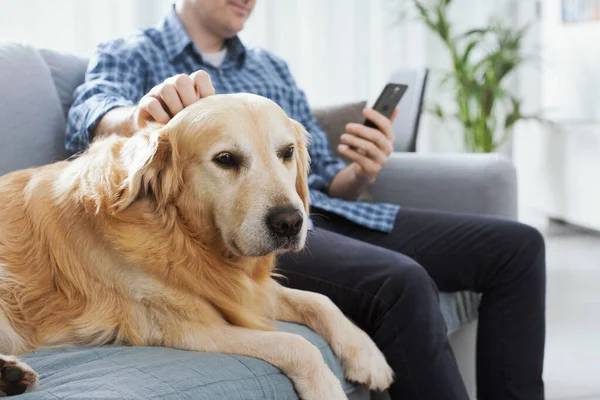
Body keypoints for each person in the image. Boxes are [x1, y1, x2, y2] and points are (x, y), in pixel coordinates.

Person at [67, 1, 546, 399]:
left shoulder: (270, 66)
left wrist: (359, 172)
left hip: (321, 211)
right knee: (402, 281)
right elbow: (91, 112)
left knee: (518, 247)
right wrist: (139, 116)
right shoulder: (132, 51)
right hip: (236, 234)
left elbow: (324, 178)